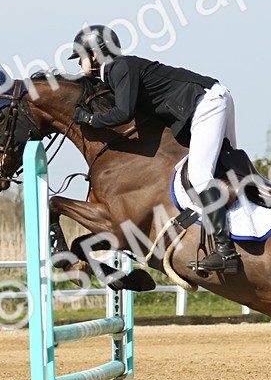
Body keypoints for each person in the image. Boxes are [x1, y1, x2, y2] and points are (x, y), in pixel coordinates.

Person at [68, 24, 241, 274]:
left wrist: (91, 120)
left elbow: (123, 113)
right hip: (212, 98)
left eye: (81, 57)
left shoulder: (120, 67)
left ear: (95, 54)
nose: (79, 63)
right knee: (224, 168)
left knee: (201, 175)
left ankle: (226, 252)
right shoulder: (118, 69)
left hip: (207, 103)